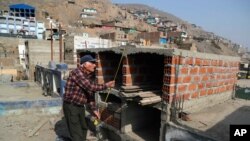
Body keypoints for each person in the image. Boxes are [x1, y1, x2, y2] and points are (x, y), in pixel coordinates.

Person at [63, 54, 115, 141]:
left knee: (83, 128)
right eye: (92, 63)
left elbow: (89, 93)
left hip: (79, 106)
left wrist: (94, 109)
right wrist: (106, 85)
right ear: (85, 64)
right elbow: (91, 87)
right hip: (71, 106)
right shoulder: (77, 73)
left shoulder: (88, 76)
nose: (95, 65)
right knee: (76, 133)